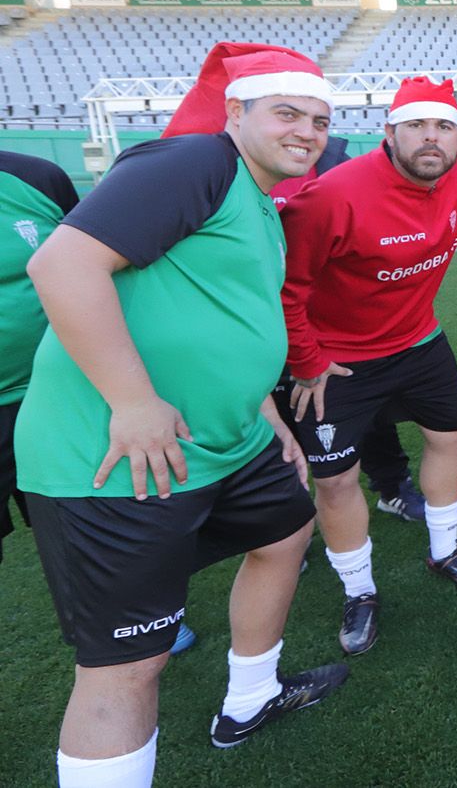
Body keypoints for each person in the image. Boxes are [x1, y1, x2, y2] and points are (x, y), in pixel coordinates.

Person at [15, 44, 349, 784]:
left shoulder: (256, 196)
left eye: (320, 120)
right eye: (288, 113)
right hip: (116, 456)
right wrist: (133, 401)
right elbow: (61, 264)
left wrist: (260, 401)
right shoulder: (194, 162)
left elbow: (222, 309)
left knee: (289, 526)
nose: (308, 131)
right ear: (237, 112)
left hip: (224, 440)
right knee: (128, 664)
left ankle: (251, 698)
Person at [280, 75, 457, 659]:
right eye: (418, 126)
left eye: (445, 127)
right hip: (336, 360)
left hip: (418, 342)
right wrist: (307, 361)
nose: (432, 138)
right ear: (388, 132)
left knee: (450, 438)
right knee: (336, 480)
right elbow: (287, 290)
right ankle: (360, 590)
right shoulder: (330, 194)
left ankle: (444, 549)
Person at [0, 148, 77, 565]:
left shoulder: (36, 177)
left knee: (86, 520)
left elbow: (93, 265)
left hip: (58, 394)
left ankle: (133, 625)